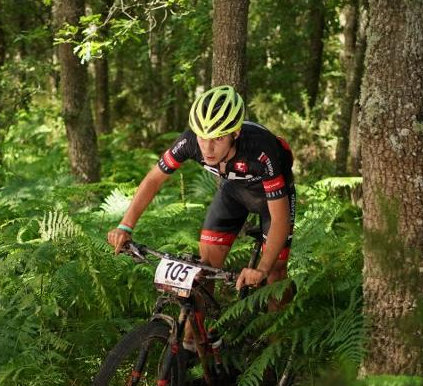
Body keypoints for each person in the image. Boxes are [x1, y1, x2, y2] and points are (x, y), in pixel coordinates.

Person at [106, 85, 296, 299]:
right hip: (233, 192)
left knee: (275, 273)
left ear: (235, 133)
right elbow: (153, 180)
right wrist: (125, 226)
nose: (207, 148)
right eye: (202, 137)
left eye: (218, 138)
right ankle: (192, 333)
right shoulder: (189, 142)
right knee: (203, 271)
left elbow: (280, 217)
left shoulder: (260, 149)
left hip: (271, 200)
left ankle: (278, 331)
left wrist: (262, 268)